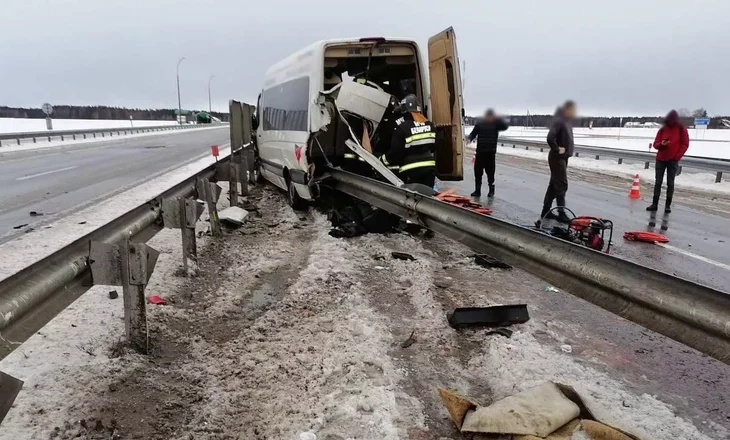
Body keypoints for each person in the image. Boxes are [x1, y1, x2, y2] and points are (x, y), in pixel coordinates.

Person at [382, 94, 437, 188]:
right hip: (429, 170)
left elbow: (396, 152)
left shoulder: (402, 128)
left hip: (411, 172)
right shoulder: (430, 125)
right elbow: (434, 147)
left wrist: (382, 160)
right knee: (427, 196)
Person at [539, 100, 576, 224]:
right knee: (561, 184)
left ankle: (546, 211)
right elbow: (550, 137)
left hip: (563, 158)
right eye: (572, 109)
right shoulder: (560, 120)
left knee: (554, 186)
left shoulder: (566, 121)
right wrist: (556, 148)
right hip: (557, 158)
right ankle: (561, 212)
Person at [647, 110, 689, 213]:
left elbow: (685, 144)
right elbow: (655, 144)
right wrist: (661, 144)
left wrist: (677, 157)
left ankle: (667, 205)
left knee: (670, 183)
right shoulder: (663, 129)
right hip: (661, 159)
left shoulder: (681, 129)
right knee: (658, 182)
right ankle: (655, 204)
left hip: (673, 160)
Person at [467, 109, 509, 197]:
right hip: (480, 152)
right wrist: (470, 138)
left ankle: (491, 190)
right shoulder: (480, 124)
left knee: (490, 173)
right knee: (478, 172)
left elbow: (505, 126)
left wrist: (499, 119)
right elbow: (473, 133)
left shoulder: (496, 125)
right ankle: (477, 191)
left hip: (490, 153)